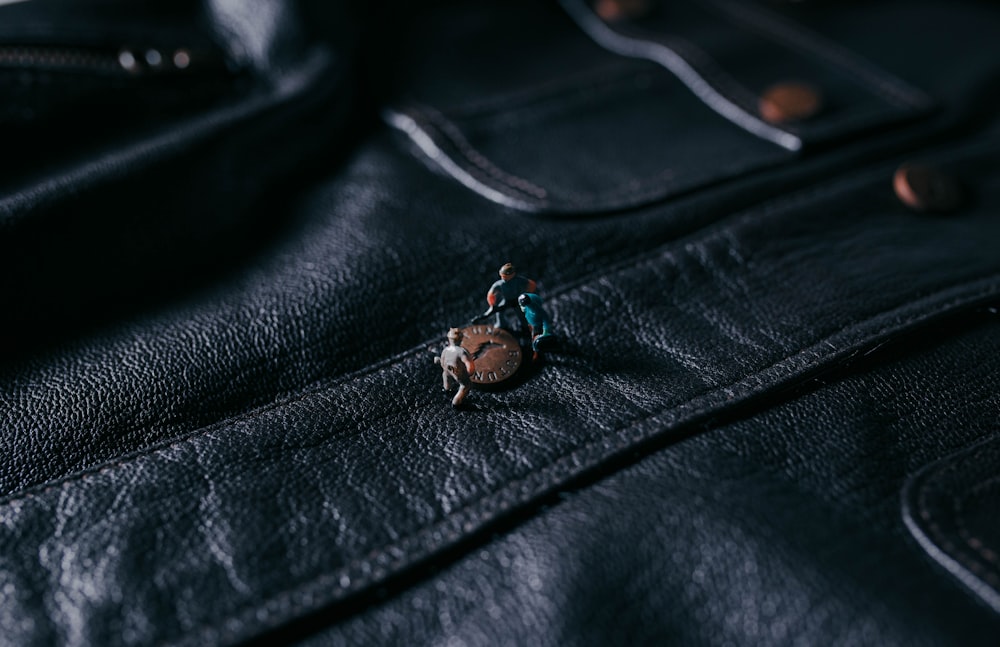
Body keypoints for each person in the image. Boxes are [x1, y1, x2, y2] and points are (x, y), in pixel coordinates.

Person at [476, 262, 537, 331]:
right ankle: (501, 324)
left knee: (521, 314)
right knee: (499, 312)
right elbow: (491, 294)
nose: (503, 278)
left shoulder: (519, 280)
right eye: (502, 276)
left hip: (517, 300)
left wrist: (527, 294)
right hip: (506, 300)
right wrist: (492, 304)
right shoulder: (500, 284)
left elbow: (531, 284)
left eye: (505, 276)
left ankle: (525, 326)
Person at [434, 327, 475, 407]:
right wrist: (468, 373)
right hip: (457, 372)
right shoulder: (462, 352)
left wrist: (444, 367)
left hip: (447, 370)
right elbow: (469, 366)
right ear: (461, 339)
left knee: (446, 376)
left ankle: (447, 389)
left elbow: (442, 360)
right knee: (466, 385)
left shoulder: (446, 349)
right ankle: (456, 402)